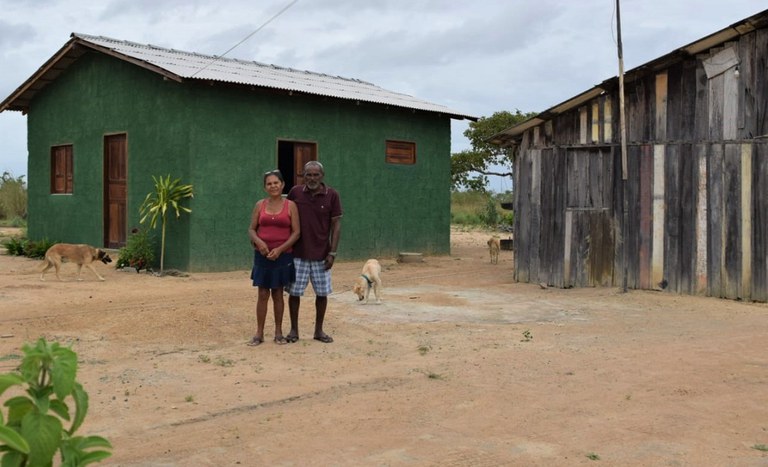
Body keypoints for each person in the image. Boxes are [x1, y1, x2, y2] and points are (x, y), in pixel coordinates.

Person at [286, 161, 342, 343]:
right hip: (298, 254)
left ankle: (319, 330)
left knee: (322, 293)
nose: (312, 178)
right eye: (308, 175)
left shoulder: (332, 195)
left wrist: (332, 253)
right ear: (303, 176)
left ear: (322, 176)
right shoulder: (295, 193)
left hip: (322, 255)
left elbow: (336, 226)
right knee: (294, 293)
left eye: (316, 175)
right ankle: (294, 330)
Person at [247, 169, 300, 346]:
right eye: (269, 183)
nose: (273, 186)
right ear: (265, 187)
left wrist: (280, 249)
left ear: (283, 184)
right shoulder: (259, 205)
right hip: (262, 255)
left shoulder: (290, 205)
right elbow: (251, 229)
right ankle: (259, 333)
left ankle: (278, 333)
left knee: (278, 293)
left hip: (282, 256)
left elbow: (296, 232)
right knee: (262, 293)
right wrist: (259, 243)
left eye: (276, 182)